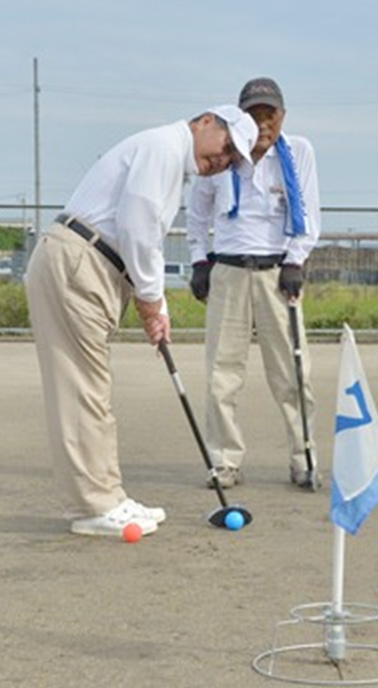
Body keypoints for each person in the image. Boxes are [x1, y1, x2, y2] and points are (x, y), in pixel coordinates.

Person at [25, 105, 258, 538]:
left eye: (233, 160)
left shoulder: (168, 157)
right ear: (206, 121)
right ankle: (94, 506)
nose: (224, 160)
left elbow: (141, 239)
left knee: (92, 387)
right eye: (227, 147)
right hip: (80, 261)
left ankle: (108, 495)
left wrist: (157, 310)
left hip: (92, 265)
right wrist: (151, 301)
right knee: (83, 388)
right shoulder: (164, 149)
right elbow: (138, 227)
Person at [186, 77, 322, 490]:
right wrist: (199, 261)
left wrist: (295, 260)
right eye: (254, 115)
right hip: (228, 271)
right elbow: (196, 216)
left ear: (282, 116)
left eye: (270, 114)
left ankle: (304, 458)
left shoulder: (298, 152)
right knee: (221, 374)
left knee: (293, 373)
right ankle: (225, 461)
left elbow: (311, 216)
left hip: (278, 274)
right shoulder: (223, 155)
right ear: (240, 118)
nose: (263, 123)